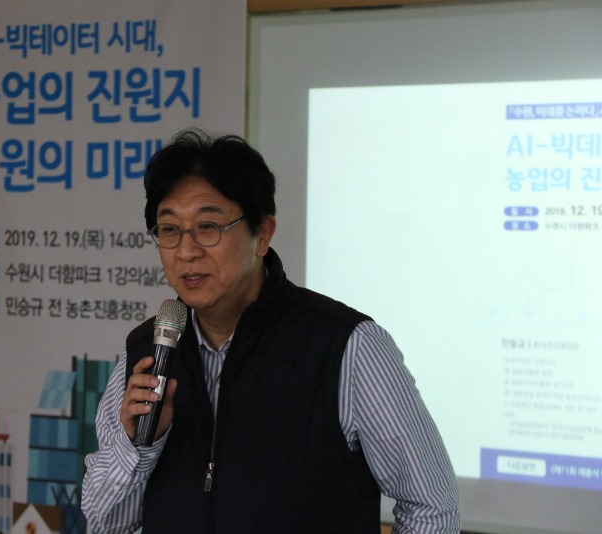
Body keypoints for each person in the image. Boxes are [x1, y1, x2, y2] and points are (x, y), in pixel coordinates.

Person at [82, 128, 460, 533]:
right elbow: (107, 523)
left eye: (208, 226)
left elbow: (432, 506)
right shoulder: (145, 352)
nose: (186, 251)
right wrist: (138, 446)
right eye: (170, 230)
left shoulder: (346, 347)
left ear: (261, 234)